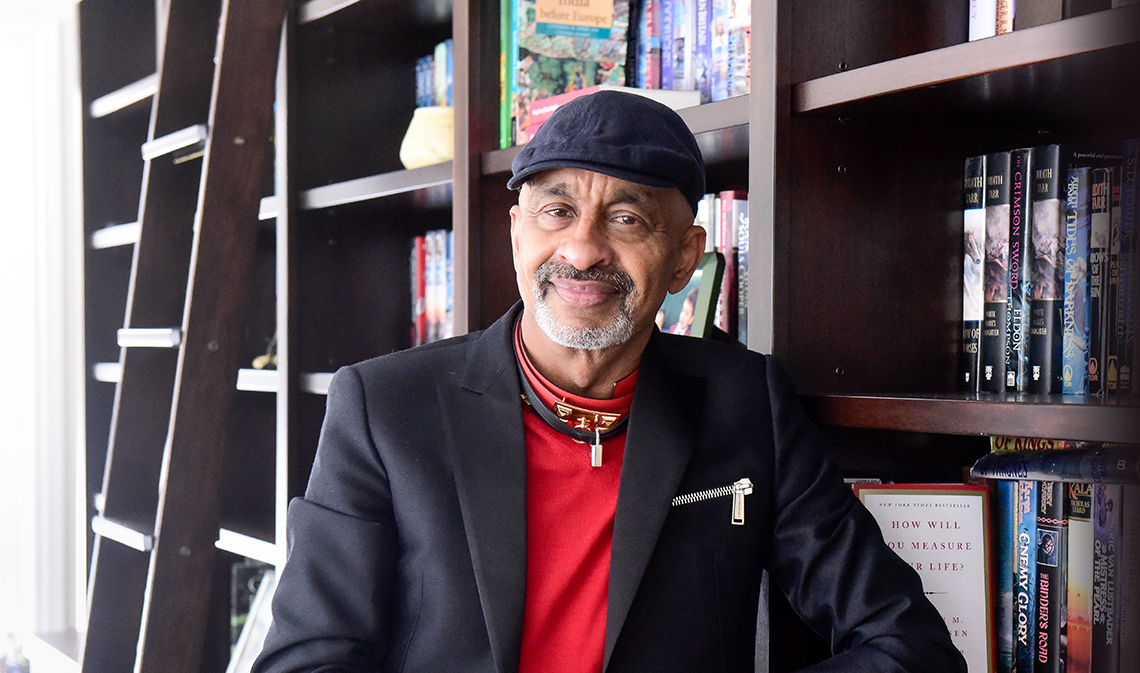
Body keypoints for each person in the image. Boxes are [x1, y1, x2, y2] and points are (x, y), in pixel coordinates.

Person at [253, 91, 966, 673]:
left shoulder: (747, 405)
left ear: (685, 257)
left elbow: (909, 647)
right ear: (516, 233)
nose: (583, 247)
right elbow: (306, 661)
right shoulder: (384, 409)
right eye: (557, 211)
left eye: (626, 217)